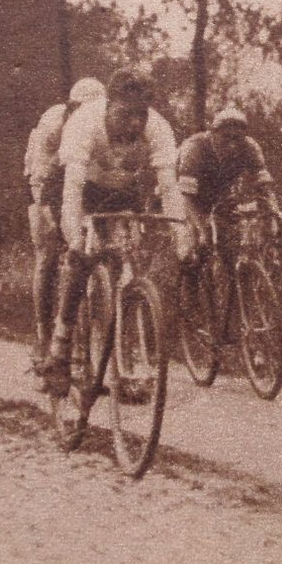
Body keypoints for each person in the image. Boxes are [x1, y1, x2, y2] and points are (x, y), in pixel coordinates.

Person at [40, 69, 189, 398]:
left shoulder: (158, 128)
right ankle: (59, 351)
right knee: (79, 263)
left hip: (122, 190)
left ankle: (123, 364)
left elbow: (168, 186)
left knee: (125, 267)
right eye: (126, 114)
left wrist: (181, 235)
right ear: (109, 105)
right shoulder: (84, 123)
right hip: (77, 187)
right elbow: (72, 189)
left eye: (141, 115)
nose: (136, 123)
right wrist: (75, 236)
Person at [23, 76, 106, 366]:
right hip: (44, 180)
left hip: (79, 181)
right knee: (47, 257)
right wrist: (49, 213)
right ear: (72, 107)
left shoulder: (99, 125)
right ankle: (43, 334)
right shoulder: (53, 125)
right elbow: (41, 174)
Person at [177, 105, 282, 263]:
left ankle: (230, 281)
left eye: (237, 138)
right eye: (226, 137)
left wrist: (276, 214)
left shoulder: (249, 147)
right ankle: (189, 281)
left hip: (218, 194)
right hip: (185, 195)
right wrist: (201, 228)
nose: (232, 144)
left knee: (228, 247)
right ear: (213, 134)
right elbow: (186, 196)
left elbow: (264, 186)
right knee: (195, 249)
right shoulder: (195, 147)